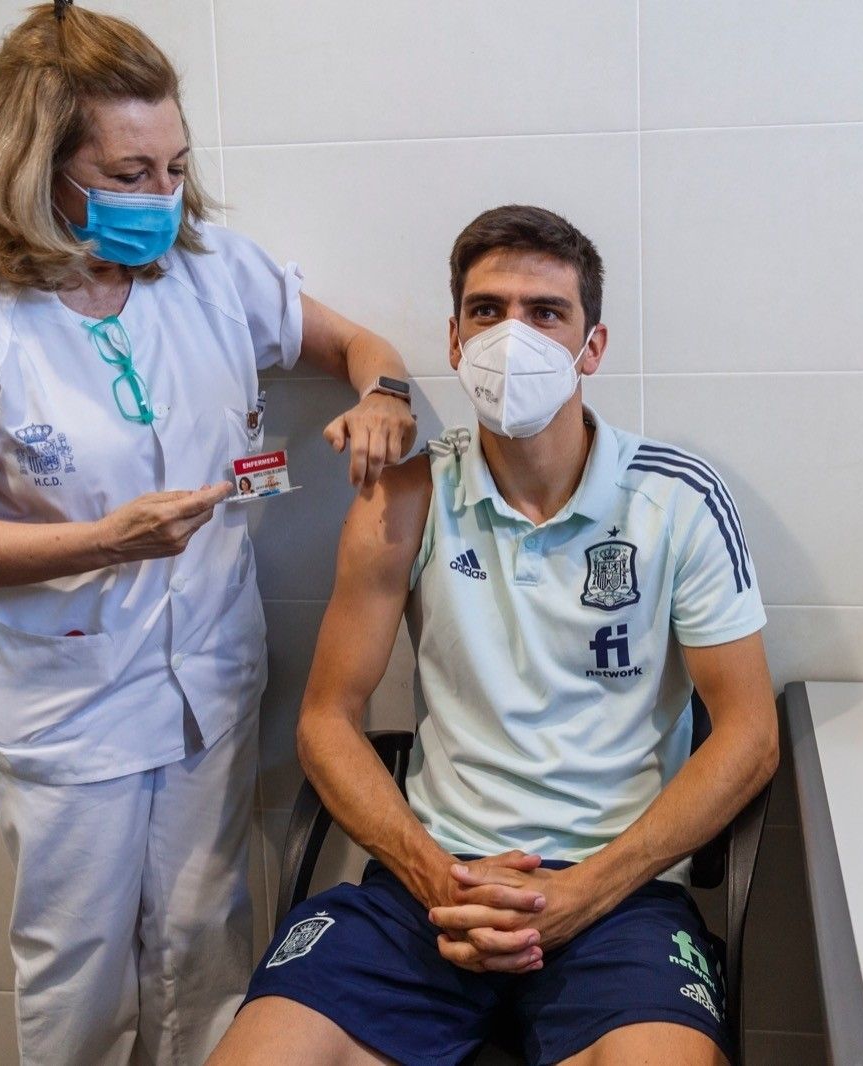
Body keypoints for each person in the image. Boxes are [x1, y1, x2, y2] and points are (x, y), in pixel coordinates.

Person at [0, 4, 416, 1064]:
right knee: (82, 980)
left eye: (174, 165)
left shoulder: (209, 269)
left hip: (207, 678)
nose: (162, 197)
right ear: (34, 169)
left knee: (207, 950)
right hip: (67, 702)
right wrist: (103, 541)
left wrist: (382, 389)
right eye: (128, 173)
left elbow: (356, 345)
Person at [208, 205, 779, 1066]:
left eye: (546, 313)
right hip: (428, 885)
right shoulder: (406, 496)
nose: (513, 335)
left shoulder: (677, 500)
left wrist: (583, 895)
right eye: (488, 310)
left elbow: (749, 736)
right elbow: (327, 718)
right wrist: (439, 878)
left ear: (592, 347)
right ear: (453, 338)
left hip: (618, 894)